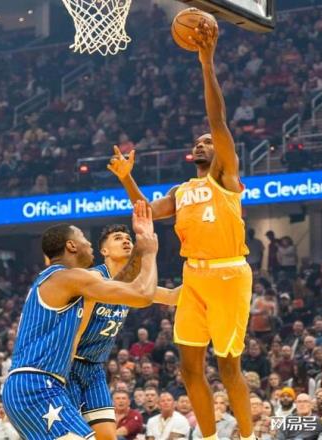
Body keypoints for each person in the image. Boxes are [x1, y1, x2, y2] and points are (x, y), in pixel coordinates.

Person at [108, 20, 255, 440]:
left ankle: (249, 437)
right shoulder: (182, 190)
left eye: (208, 141)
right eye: (199, 141)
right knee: (189, 368)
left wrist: (206, 63)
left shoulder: (225, 178)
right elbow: (145, 212)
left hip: (228, 274)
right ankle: (209, 437)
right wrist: (126, 178)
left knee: (229, 366)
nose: (202, 143)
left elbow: (218, 119)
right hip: (194, 277)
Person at [2, 201, 159, 440]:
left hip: (38, 385)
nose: (90, 244)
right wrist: (148, 251)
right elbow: (142, 294)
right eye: (84, 238)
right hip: (36, 387)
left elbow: (123, 283)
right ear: (71, 245)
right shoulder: (68, 278)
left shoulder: (66, 281)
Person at [67, 224, 179, 440]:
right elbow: (76, 331)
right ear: (104, 250)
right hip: (71, 364)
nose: (126, 240)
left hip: (95, 369)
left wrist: (207, 274)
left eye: (129, 238)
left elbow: (172, 296)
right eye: (118, 238)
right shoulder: (93, 278)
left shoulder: (131, 285)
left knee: (108, 437)